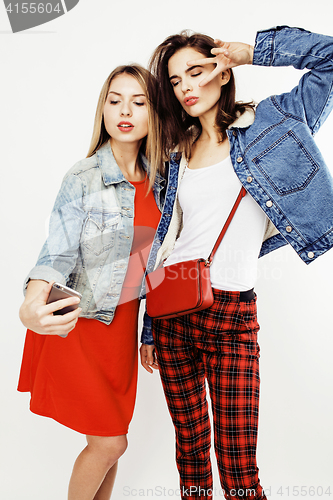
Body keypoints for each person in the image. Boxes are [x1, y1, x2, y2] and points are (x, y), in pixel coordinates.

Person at [139, 26, 333, 500]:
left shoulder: (274, 120)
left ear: (222, 74)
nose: (186, 86)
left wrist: (253, 53)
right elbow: (168, 238)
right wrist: (148, 326)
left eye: (197, 72)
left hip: (233, 317)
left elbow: (329, 58)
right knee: (191, 459)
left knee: (240, 471)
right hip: (171, 314)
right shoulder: (175, 152)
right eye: (175, 80)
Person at [18, 64, 162, 500]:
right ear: (102, 109)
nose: (125, 111)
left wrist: (149, 332)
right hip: (81, 324)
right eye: (114, 100)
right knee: (110, 441)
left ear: (154, 114)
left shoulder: (164, 180)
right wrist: (31, 302)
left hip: (121, 331)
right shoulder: (83, 177)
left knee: (110, 443)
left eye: (138, 103)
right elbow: (56, 252)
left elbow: (159, 264)